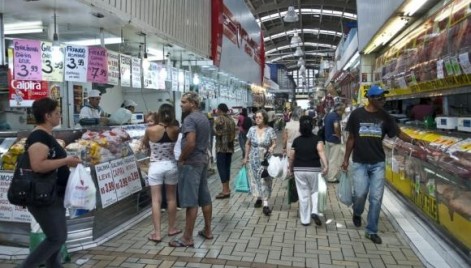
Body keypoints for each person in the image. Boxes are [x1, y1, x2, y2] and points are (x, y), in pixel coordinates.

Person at [341, 85, 419, 244]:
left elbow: (398, 133)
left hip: (378, 163)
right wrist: (345, 159)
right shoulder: (357, 115)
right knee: (361, 194)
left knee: (376, 198)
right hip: (360, 162)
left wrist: (413, 141)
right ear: (370, 98)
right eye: (379, 98)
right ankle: (357, 212)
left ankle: (371, 230)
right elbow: (351, 139)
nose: (383, 100)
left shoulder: (386, 117)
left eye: (384, 97)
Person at [19, 98, 82, 268]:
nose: (60, 116)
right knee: (57, 238)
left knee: (55, 236)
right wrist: (65, 161)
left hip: (53, 194)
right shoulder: (38, 137)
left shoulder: (46, 135)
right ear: (47, 115)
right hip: (44, 196)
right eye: (57, 113)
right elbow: (38, 166)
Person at [170, 92, 213, 247]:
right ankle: (208, 230)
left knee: (191, 201)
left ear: (193, 103)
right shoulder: (203, 118)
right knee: (205, 198)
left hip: (191, 164)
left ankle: (187, 238)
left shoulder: (189, 119)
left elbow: (191, 143)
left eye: (184, 102)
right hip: (201, 161)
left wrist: (181, 158)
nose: (181, 104)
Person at [142, 104, 181, 243]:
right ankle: (171, 229)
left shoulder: (150, 130)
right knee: (171, 199)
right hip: (171, 165)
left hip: (155, 167)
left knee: (156, 200)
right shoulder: (176, 129)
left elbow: (144, 145)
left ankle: (157, 234)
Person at [289, 115, 328, 226]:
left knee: (303, 194)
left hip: (299, 169)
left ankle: (305, 220)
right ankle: (314, 211)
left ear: (300, 127)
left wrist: (290, 168)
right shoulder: (317, 139)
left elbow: (292, 157)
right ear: (312, 126)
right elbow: (321, 152)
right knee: (315, 191)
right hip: (314, 169)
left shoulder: (296, 141)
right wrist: (326, 166)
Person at [242, 109, 277, 216]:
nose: (257, 119)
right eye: (256, 117)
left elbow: (274, 142)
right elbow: (248, 144)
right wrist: (245, 157)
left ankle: (265, 204)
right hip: (254, 158)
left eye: (259, 117)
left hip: (266, 159)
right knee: (255, 178)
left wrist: (271, 148)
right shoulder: (252, 130)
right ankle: (258, 197)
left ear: (264, 118)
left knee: (265, 179)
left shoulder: (270, 130)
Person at [213, 103, 236, 199]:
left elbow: (217, 132)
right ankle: (228, 188)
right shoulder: (231, 119)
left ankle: (225, 191)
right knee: (227, 168)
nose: (216, 111)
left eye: (217, 110)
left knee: (221, 168)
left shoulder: (219, 119)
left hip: (221, 147)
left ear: (220, 110)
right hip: (229, 148)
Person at [324, 103, 346, 183]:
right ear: (338, 110)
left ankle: (329, 173)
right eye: (342, 111)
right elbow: (336, 126)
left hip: (328, 139)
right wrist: (339, 136)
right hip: (334, 141)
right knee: (334, 160)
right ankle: (331, 178)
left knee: (330, 158)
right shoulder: (336, 117)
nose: (343, 113)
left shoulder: (329, 115)